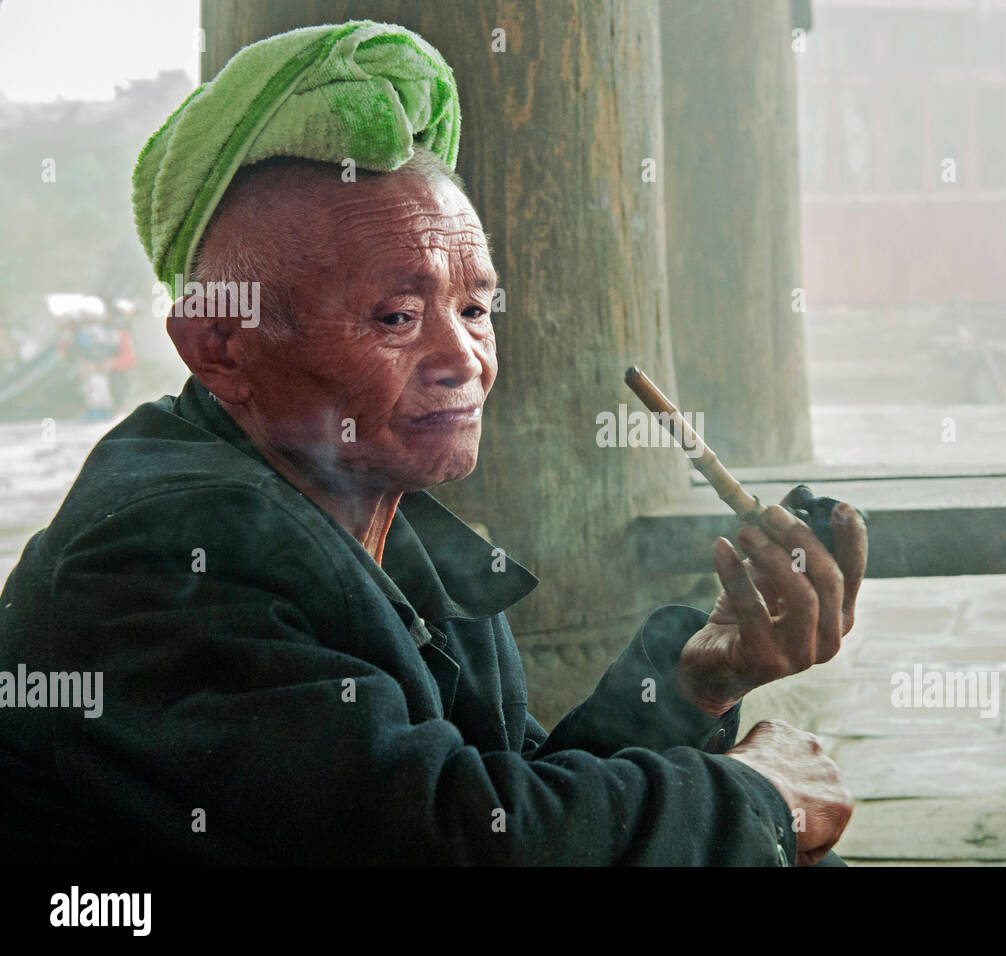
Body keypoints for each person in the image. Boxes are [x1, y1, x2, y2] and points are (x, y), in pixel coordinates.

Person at [0, 21, 866, 866]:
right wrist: (758, 800)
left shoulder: (376, 519)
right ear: (222, 346)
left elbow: (505, 795)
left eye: (476, 309)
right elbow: (440, 841)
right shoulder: (159, 555)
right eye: (398, 317)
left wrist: (695, 680)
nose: (464, 361)